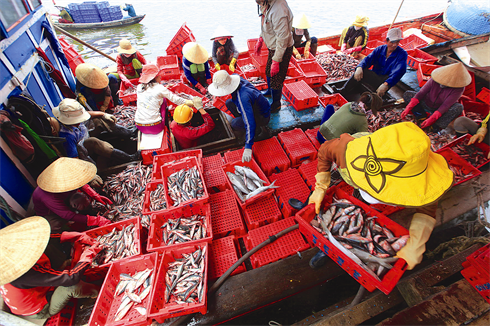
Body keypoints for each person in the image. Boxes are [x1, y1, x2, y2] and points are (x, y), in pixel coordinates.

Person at [302, 122, 453, 270]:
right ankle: (310, 205)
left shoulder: (423, 185)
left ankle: (330, 245)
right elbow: (325, 151)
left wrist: (417, 242)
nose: (364, 188)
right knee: (329, 184)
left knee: (358, 206)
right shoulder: (345, 151)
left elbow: (427, 209)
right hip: (352, 161)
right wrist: (320, 187)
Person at [0, 217, 101, 319]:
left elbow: (44, 238)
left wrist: (71, 236)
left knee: (50, 249)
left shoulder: (20, 248)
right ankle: (99, 293)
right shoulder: (22, 275)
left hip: (39, 287)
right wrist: (88, 256)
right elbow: (71, 278)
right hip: (41, 308)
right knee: (73, 287)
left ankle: (68, 271)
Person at [53, 98, 140, 169]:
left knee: (98, 121)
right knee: (93, 142)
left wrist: (103, 115)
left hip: (85, 136)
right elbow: (75, 160)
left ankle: (130, 133)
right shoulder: (67, 136)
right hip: (84, 152)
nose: (79, 121)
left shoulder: (73, 119)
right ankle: (129, 158)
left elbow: (89, 114)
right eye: (76, 121)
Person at [32, 157, 112, 233]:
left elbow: (81, 183)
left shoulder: (69, 180)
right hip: (51, 213)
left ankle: (87, 215)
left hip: (66, 198)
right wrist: (96, 220)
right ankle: (68, 236)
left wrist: (95, 195)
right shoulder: (48, 197)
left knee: (81, 200)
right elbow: (67, 215)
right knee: (56, 225)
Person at [208, 70, 271, 162]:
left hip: (262, 116)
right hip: (257, 105)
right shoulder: (235, 77)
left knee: (235, 123)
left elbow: (250, 122)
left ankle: (257, 130)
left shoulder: (243, 98)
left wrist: (248, 146)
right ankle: (244, 118)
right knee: (228, 102)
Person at [336, 28, 407, 98]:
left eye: (397, 42)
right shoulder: (380, 49)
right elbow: (368, 59)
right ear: (387, 41)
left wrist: (386, 84)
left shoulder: (402, 54)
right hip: (375, 76)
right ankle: (343, 91)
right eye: (392, 42)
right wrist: (359, 67)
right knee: (360, 72)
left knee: (374, 97)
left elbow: (399, 71)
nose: (394, 45)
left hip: (386, 81)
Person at [401, 62, 471, 130]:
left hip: (441, 109)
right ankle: (421, 116)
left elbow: (446, 105)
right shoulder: (434, 79)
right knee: (408, 94)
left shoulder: (459, 88)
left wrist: (432, 119)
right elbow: (421, 93)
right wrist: (409, 107)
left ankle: (435, 126)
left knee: (458, 107)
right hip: (426, 102)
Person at [254, 0, 294, 112]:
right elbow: (265, 23)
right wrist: (260, 39)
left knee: (276, 77)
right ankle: (269, 91)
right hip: (272, 46)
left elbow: (283, 38)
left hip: (282, 48)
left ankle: (276, 104)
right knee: (268, 71)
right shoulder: (265, 4)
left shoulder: (278, 9)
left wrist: (276, 61)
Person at [135, 63, 197, 134]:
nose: (160, 77)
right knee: (163, 100)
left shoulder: (139, 87)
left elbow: (151, 91)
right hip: (156, 126)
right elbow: (177, 100)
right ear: (155, 77)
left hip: (139, 125)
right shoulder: (160, 88)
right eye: (158, 76)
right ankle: (166, 122)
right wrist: (193, 103)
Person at [318, 92, 382, 143]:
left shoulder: (349, 104)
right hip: (329, 143)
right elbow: (362, 138)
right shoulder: (362, 120)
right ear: (368, 108)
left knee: (329, 107)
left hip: (320, 133)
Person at [109, 39, 147, 104]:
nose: (127, 54)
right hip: (128, 75)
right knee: (111, 76)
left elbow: (145, 63)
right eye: (125, 53)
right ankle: (116, 100)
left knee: (135, 61)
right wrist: (125, 79)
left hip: (138, 74)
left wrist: (145, 75)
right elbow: (119, 70)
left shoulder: (137, 53)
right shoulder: (119, 57)